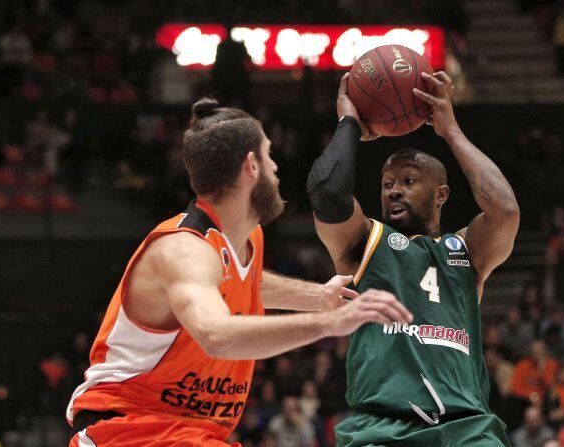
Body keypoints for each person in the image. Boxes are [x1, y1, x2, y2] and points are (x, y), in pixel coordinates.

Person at [66, 98, 412, 446]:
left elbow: (245, 282)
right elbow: (216, 334)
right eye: (269, 154)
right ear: (251, 165)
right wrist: (331, 325)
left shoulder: (245, 240)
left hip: (185, 435)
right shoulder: (184, 250)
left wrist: (318, 298)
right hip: (127, 430)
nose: (276, 167)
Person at [307, 71, 519, 445]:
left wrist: (450, 129)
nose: (394, 191)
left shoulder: (466, 250)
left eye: (408, 181)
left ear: (441, 194)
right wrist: (349, 123)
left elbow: (504, 210)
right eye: (387, 184)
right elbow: (327, 192)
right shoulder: (367, 242)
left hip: (465, 429)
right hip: (381, 427)